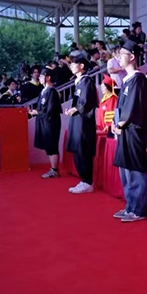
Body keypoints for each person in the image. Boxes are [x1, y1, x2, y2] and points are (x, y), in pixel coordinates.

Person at [112, 40, 147, 223]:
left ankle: (138, 209)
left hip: (134, 130)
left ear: (133, 57)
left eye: (122, 54)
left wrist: (121, 123)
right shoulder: (126, 80)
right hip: (123, 130)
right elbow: (121, 107)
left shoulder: (138, 79)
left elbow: (133, 106)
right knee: (125, 169)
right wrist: (116, 123)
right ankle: (130, 205)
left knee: (135, 169)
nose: (119, 58)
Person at [65, 57, 98, 194]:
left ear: (82, 65)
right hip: (77, 119)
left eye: (74, 64)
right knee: (77, 150)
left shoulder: (86, 81)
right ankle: (83, 180)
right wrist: (71, 110)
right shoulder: (78, 82)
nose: (71, 66)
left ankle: (88, 181)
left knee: (83, 150)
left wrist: (76, 109)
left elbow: (85, 102)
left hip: (84, 121)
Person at [29, 68, 62, 179]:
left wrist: (37, 112)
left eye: (42, 76)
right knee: (48, 146)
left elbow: (50, 109)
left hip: (51, 122)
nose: (39, 78)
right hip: (44, 121)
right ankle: (52, 168)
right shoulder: (44, 91)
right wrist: (36, 111)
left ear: (48, 77)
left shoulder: (51, 92)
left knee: (52, 145)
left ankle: (54, 170)